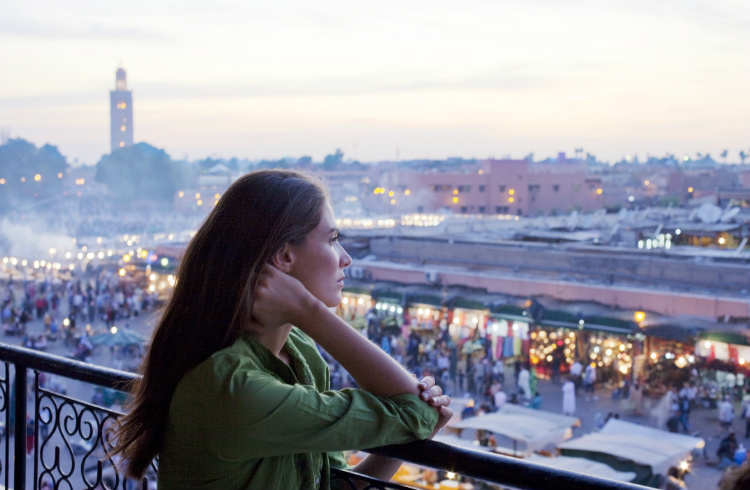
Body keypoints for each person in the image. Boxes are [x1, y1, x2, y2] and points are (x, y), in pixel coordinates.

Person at [110, 170, 452, 490]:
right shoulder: (230, 386)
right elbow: (416, 410)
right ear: (284, 257)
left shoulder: (299, 351)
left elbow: (328, 484)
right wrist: (311, 312)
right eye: (332, 239)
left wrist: (408, 436)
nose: (345, 257)